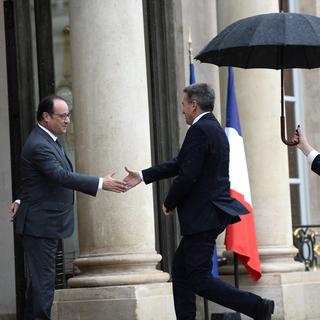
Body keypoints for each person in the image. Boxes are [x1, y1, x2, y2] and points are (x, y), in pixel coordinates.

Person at [123, 83, 274, 320]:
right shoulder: (212, 128)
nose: (182, 110)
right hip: (209, 214)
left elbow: (188, 175)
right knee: (182, 272)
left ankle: (257, 306)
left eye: (183, 104)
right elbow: (180, 163)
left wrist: (170, 202)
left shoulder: (200, 130)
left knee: (199, 279)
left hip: (203, 216)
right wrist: (142, 176)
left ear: (193, 105)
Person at [9, 95, 127, 320]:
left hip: (46, 224)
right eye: (62, 116)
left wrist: (20, 199)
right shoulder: (38, 144)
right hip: (40, 226)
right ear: (45, 117)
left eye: (68, 115)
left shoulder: (50, 139)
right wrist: (100, 183)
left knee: (41, 284)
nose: (67, 120)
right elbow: (59, 175)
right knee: (43, 285)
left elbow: (35, 179)